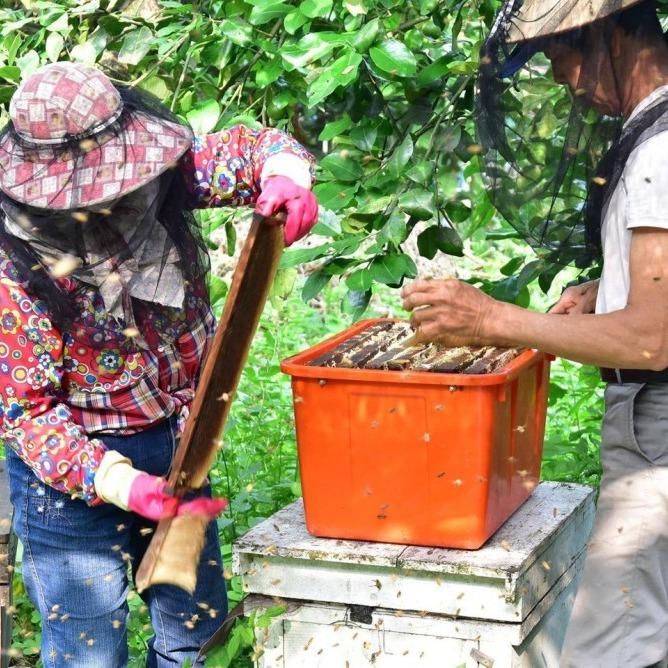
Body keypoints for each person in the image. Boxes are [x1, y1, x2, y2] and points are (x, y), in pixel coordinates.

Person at [0, 61, 318, 667]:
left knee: (195, 636)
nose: (111, 204)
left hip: (180, 446)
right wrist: (124, 485)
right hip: (72, 483)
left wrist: (285, 178)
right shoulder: (12, 268)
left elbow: (254, 146)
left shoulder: (162, 173)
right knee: (87, 651)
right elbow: (27, 414)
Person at [403, 1, 668, 666]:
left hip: (657, 428)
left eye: (561, 58)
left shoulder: (659, 154)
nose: (564, 81)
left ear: (610, 35)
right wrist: (607, 291)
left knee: (610, 649)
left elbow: (651, 341)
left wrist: (490, 318)